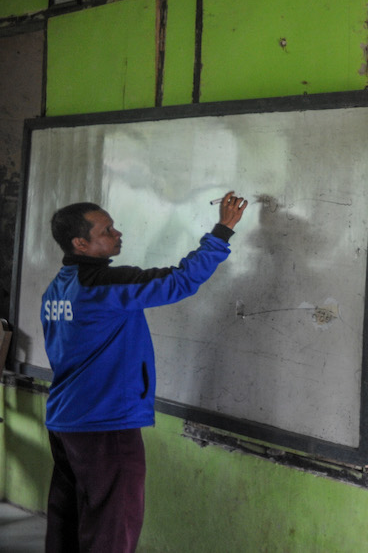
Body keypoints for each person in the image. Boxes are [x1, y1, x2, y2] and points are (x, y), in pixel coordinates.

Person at [41, 192, 247, 553]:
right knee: (112, 526)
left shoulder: (59, 286)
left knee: (69, 519)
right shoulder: (103, 284)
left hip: (66, 419)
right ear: (80, 243)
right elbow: (178, 282)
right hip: (105, 422)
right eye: (107, 230)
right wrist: (222, 230)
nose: (118, 234)